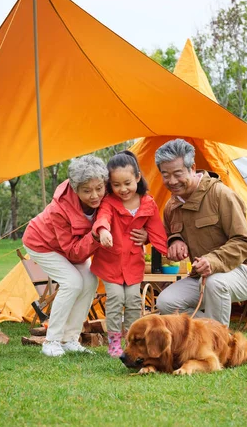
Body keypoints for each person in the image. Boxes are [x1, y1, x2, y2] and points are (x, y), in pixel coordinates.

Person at [22, 155, 148, 357]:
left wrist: (146, 235)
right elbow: (73, 252)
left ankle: (70, 338)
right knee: (72, 282)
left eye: (99, 188)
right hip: (42, 243)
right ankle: (52, 340)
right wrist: (97, 235)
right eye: (86, 191)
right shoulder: (59, 209)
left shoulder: (107, 191)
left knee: (89, 280)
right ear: (74, 188)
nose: (95, 195)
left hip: (75, 245)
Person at [154, 139, 247, 326]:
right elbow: (168, 234)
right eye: (165, 175)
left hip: (246, 270)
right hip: (202, 277)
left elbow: (244, 241)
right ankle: (214, 335)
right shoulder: (171, 206)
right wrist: (175, 240)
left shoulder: (221, 194)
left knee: (215, 282)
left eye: (177, 173)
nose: (171, 181)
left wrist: (212, 261)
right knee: (166, 302)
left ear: (192, 168)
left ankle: (216, 347)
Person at [91, 151, 167, 357]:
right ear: (110, 185)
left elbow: (156, 230)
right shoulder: (109, 202)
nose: (122, 189)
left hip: (133, 262)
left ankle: (133, 340)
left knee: (133, 300)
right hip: (111, 261)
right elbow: (103, 218)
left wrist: (157, 243)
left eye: (127, 183)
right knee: (115, 298)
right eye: (116, 185)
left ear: (137, 178)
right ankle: (114, 342)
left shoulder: (148, 203)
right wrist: (103, 231)